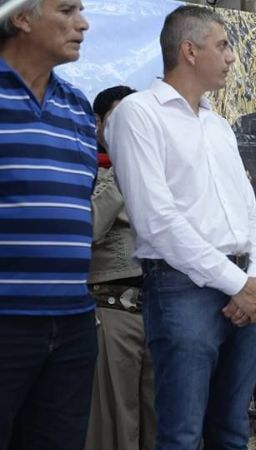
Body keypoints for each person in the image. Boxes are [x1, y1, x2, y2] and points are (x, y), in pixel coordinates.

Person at [105, 6, 256, 449]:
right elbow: (156, 221)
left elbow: (249, 211)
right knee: (182, 435)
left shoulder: (218, 125)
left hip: (243, 284)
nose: (232, 57)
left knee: (233, 432)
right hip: (183, 288)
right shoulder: (138, 114)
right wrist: (239, 283)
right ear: (190, 51)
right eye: (223, 45)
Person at [0, 1, 96, 449]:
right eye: (67, 9)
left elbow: (79, 199)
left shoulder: (77, 106)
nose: (83, 23)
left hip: (73, 323)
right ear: (21, 17)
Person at [84, 85, 156, 450]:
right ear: (98, 124)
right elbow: (89, 228)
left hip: (161, 307)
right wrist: (122, 173)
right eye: (117, 120)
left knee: (160, 420)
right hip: (111, 307)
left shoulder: (158, 169)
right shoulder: (85, 168)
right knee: (115, 425)